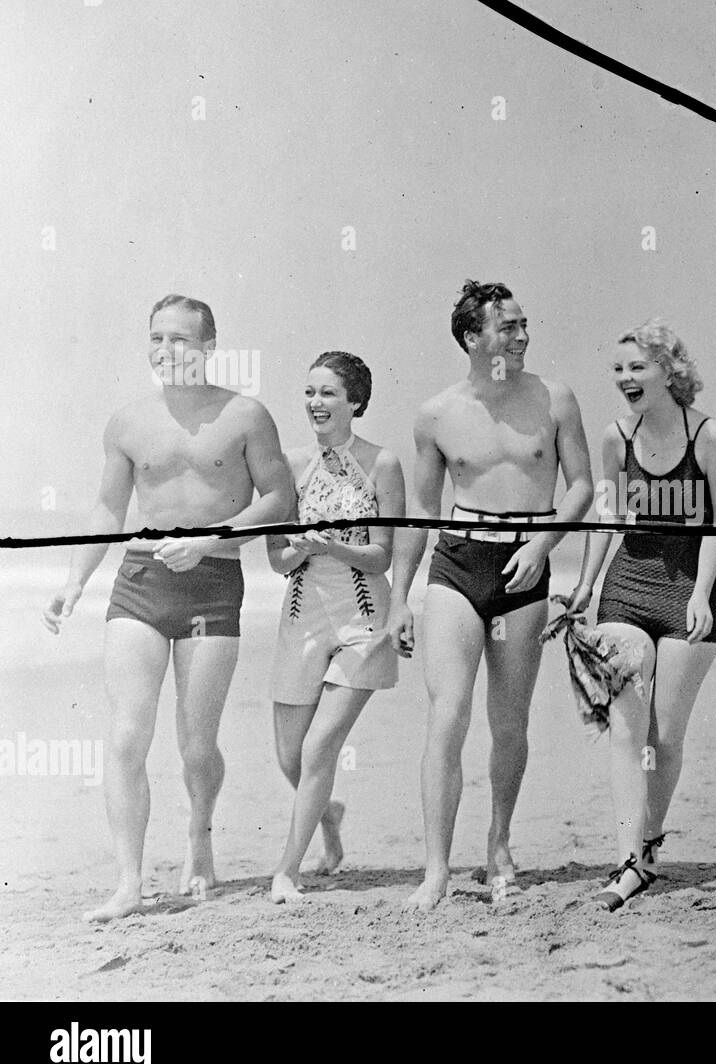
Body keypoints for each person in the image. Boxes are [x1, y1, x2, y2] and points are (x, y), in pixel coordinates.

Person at [41, 294, 294, 922]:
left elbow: (280, 495)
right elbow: (108, 509)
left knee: (196, 742)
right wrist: (75, 580)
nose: (167, 351)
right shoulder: (128, 422)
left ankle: (199, 835)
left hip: (213, 582)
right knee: (127, 735)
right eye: (156, 338)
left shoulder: (244, 415)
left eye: (181, 340)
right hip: (140, 583)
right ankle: (128, 883)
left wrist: (214, 536)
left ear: (209, 346)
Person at [387, 281, 594, 911]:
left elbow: (583, 486)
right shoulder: (436, 414)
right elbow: (422, 512)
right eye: (508, 328)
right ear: (473, 338)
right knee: (447, 714)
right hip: (458, 564)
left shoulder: (554, 398)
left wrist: (543, 546)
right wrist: (399, 598)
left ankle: (499, 845)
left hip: (525, 570)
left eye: (525, 324)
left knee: (510, 723)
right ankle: (435, 868)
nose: (523, 336)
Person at [569, 320, 716, 911]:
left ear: (670, 370)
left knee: (665, 738)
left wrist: (700, 591)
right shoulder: (616, 436)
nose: (625, 378)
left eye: (637, 367)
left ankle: (647, 844)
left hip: (692, 587)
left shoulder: (710, 437)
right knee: (626, 726)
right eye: (618, 369)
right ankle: (630, 862)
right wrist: (585, 586)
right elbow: (608, 518)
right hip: (627, 587)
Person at [264, 352, 405, 903]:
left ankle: (286, 872)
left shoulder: (382, 463)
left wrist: (334, 546)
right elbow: (276, 560)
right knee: (288, 755)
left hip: (362, 617)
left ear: (355, 401)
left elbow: (383, 556)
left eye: (327, 393)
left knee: (321, 747)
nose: (315, 403)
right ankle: (327, 813)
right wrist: (298, 551)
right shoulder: (291, 463)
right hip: (301, 614)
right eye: (309, 393)